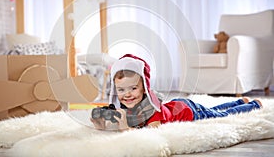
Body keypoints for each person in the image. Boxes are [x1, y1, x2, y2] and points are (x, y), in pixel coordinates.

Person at [91, 54, 262, 131]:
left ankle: (253, 105)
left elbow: (149, 135)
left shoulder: (152, 111)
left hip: (188, 112)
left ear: (145, 89)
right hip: (179, 104)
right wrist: (101, 123)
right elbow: (123, 120)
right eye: (121, 90)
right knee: (214, 109)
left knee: (219, 115)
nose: (127, 94)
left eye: (133, 88)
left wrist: (124, 129)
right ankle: (241, 101)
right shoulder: (126, 106)